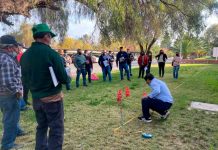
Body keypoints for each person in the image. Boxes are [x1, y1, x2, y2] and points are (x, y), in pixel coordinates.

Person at [20, 23, 69, 150]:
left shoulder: (25, 56)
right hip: (52, 98)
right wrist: (67, 78)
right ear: (46, 36)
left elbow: (24, 79)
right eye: (50, 36)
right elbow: (64, 78)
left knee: (41, 126)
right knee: (56, 129)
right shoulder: (51, 54)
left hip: (36, 98)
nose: (51, 39)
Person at [0, 35, 25, 150]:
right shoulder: (6, 59)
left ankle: (17, 131)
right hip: (8, 95)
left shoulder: (3, 57)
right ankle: (7, 144)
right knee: (11, 118)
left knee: (10, 115)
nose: (17, 49)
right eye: (15, 47)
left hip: (3, 94)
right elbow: (8, 81)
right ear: (9, 47)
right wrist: (17, 92)